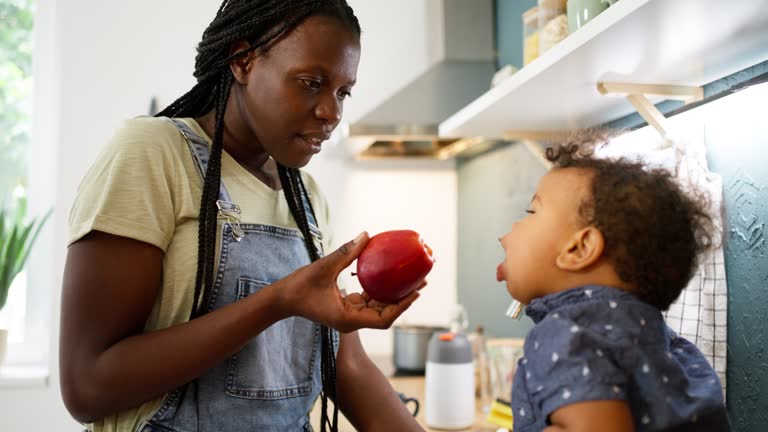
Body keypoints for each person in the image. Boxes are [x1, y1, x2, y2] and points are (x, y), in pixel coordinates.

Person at [59, 2, 424, 431]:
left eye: (343, 92)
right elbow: (87, 386)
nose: (332, 113)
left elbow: (350, 369)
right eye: (311, 83)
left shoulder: (309, 200)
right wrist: (278, 301)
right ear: (243, 60)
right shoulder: (153, 154)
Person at [496, 141, 729, 431]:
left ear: (579, 249)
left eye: (531, 212)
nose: (511, 231)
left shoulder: (567, 333)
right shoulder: (674, 350)